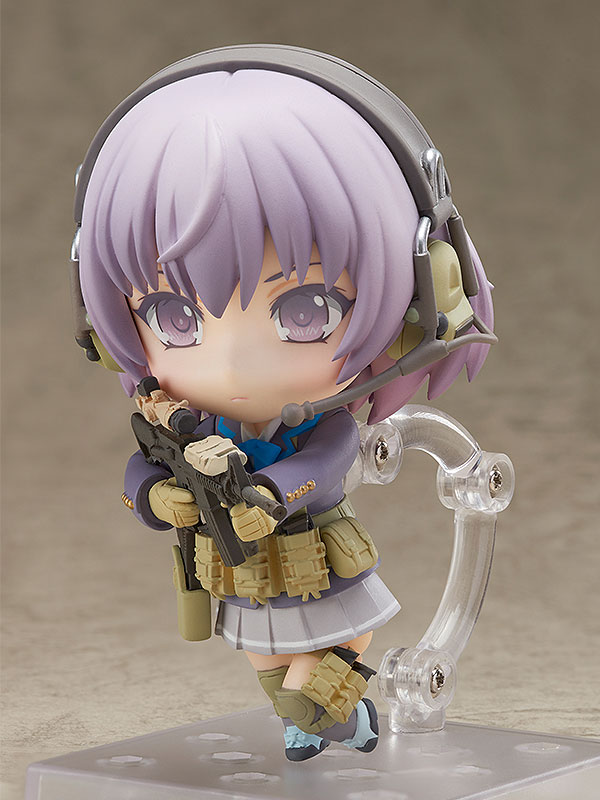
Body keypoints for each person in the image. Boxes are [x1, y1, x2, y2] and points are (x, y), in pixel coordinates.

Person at [75, 54, 494, 761]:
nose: (232, 369)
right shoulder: (182, 426)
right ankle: (324, 721)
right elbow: (139, 472)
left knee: (314, 681)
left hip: (317, 559)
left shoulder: (318, 423)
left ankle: (342, 714)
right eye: (174, 316)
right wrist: (155, 498)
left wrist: (270, 493)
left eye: (305, 311)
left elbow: (327, 461)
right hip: (241, 576)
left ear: (426, 297)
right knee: (272, 674)